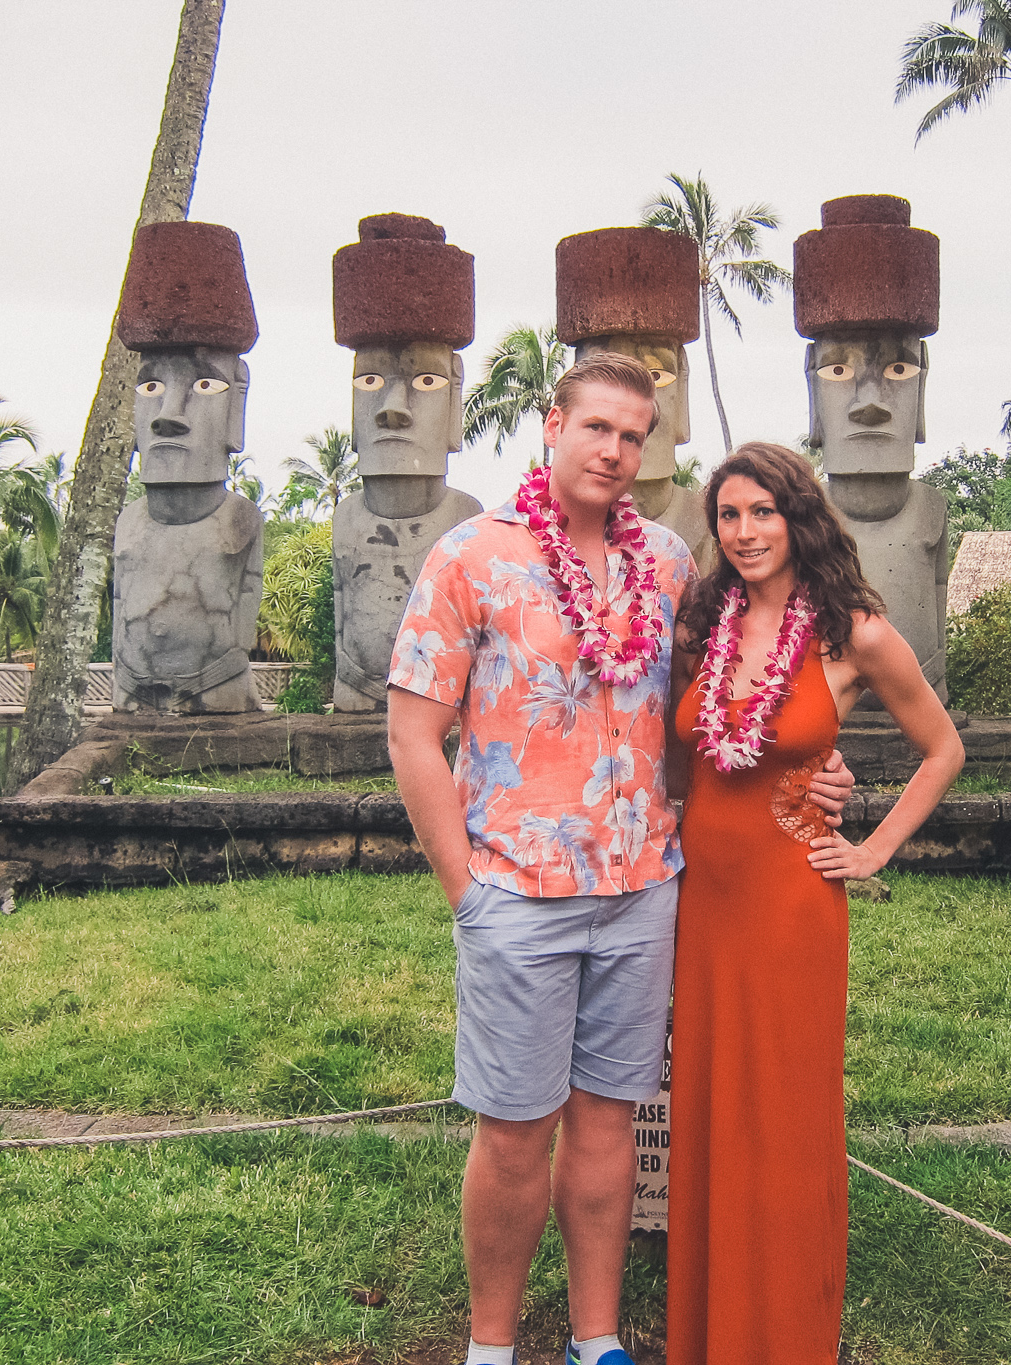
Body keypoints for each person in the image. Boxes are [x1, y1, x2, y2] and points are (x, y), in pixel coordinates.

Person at [387, 359, 854, 1365]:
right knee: (514, 1133)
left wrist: (815, 764)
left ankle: (593, 1339)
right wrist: (465, 890)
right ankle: (489, 1345)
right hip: (514, 888)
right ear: (551, 425)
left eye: (634, 436)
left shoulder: (669, 566)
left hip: (643, 889)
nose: (614, 451)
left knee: (606, 1126)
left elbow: (731, 703)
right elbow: (411, 735)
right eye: (596, 427)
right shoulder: (472, 556)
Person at [665, 442, 964, 1364]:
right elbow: (687, 760)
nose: (746, 531)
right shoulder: (706, 616)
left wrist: (871, 845)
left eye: (764, 512)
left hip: (791, 902)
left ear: (800, 517)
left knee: (784, 1112)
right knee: (710, 1108)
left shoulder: (851, 630)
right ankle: (714, 1328)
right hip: (701, 902)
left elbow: (943, 748)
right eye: (729, 515)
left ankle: (786, 1333)